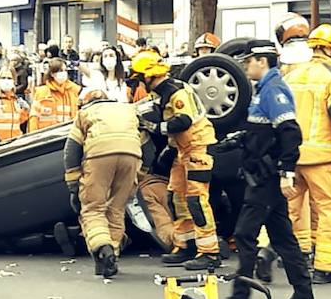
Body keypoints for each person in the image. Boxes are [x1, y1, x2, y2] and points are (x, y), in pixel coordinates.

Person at [218, 40, 316, 299]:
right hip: (265, 176)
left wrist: (286, 172)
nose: (246, 66)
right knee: (283, 238)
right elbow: (264, 133)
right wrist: (240, 141)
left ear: (262, 61)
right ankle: (304, 296)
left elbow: (289, 133)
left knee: (244, 235)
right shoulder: (264, 90)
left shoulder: (274, 90)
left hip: (267, 179)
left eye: (249, 61)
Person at [131, 50, 220, 271]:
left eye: (141, 79)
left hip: (198, 149)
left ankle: (209, 253)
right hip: (182, 151)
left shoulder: (176, 92)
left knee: (196, 201)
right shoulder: (162, 93)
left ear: (150, 76)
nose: (141, 84)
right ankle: (186, 244)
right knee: (176, 198)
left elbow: (183, 121)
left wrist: (153, 127)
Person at [275, 15, 331, 284]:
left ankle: (286, 252)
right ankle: (327, 265)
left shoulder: (291, 74)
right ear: (330, 48)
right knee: (328, 208)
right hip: (322, 156)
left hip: (293, 155)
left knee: (290, 207)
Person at [64, 88, 143, 277]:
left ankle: (103, 248)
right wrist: (140, 173)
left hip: (100, 156)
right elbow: (147, 146)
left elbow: (71, 151)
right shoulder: (129, 111)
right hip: (131, 156)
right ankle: (111, 258)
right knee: (116, 209)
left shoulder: (85, 113)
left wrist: (74, 185)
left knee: (93, 208)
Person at [29, 58, 81, 132]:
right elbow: (34, 117)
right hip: (46, 136)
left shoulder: (74, 90)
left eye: (65, 70)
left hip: (68, 135)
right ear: (52, 74)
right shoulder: (42, 92)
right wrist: (32, 136)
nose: (63, 73)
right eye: (60, 71)